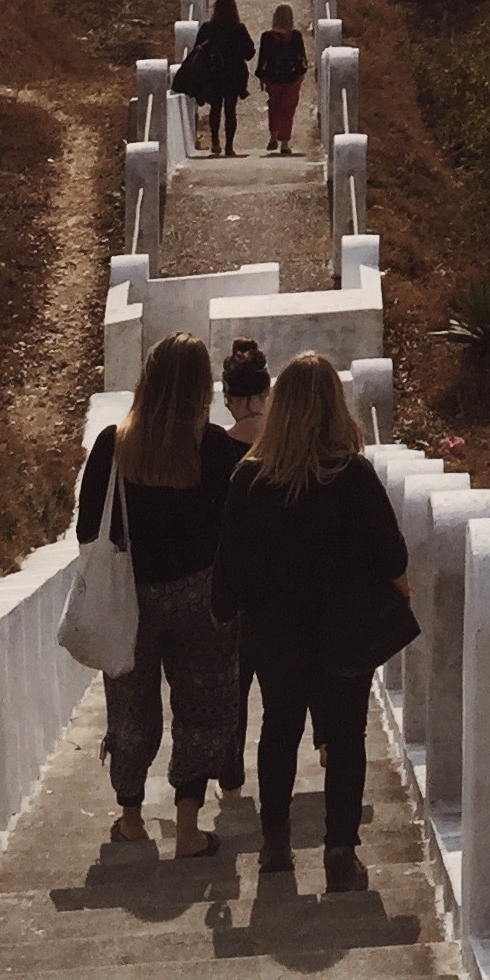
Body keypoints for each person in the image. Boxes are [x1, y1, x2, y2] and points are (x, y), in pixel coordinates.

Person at [212, 351, 409, 891]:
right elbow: (393, 557)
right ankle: (340, 853)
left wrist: (226, 610)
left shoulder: (248, 479)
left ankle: (275, 847)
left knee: (279, 730)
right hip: (344, 632)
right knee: (345, 738)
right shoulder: (354, 476)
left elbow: (228, 562)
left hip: (273, 635)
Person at [76, 331, 246, 858]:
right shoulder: (215, 447)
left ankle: (131, 819)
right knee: (201, 705)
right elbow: (236, 529)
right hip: (201, 597)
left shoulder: (114, 443)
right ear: (201, 386)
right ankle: (189, 828)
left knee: (129, 708)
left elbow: (87, 529)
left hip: (130, 599)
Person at [216, 337, 272, 803]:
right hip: (283, 586)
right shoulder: (286, 444)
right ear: (267, 392)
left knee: (231, 691)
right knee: (285, 690)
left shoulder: (216, 450)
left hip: (234, 589)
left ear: (228, 397)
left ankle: (231, 783)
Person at [191, 0, 255, 158]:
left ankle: (215, 142)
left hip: (213, 74)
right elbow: (249, 53)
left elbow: (197, 50)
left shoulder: (207, 28)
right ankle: (229, 146)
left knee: (215, 108)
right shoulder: (239, 29)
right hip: (233, 75)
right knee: (230, 110)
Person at [256, 4, 308, 158]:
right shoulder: (296, 36)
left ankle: (273, 136)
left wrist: (261, 76)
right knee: (288, 110)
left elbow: (262, 58)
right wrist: (301, 73)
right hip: (292, 78)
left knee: (274, 107)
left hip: (273, 77)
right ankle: (285, 143)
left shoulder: (267, 36)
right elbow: (302, 57)